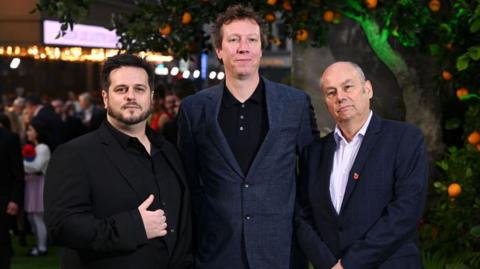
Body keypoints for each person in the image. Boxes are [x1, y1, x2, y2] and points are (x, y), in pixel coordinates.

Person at [178, 4, 317, 269]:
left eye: (251, 40)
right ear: (219, 50)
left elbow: (313, 177)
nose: (243, 47)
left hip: (280, 253)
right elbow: (189, 182)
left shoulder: (295, 104)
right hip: (216, 253)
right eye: (233, 40)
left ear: (260, 48)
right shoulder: (194, 109)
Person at [44, 54, 192, 269]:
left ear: (151, 97)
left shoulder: (169, 151)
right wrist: (134, 227)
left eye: (139, 89)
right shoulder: (75, 154)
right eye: (121, 89)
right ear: (105, 98)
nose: (130, 96)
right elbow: (61, 227)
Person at [295, 61, 428, 269]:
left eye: (348, 87)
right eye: (331, 92)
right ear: (326, 101)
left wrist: (349, 264)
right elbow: (303, 216)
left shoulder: (404, 139)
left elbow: (406, 211)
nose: (340, 97)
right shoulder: (313, 154)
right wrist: (328, 264)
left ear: (368, 89)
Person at [0, 113, 24, 269]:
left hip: (3, 200)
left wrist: (15, 199)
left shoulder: (9, 138)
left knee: (2, 244)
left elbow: (18, 173)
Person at [23, 121, 51, 256]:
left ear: (37, 133)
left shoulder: (43, 148)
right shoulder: (34, 147)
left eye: (30, 130)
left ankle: (42, 247)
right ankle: (39, 243)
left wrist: (19, 163)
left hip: (40, 184)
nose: (28, 133)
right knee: (31, 216)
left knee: (38, 217)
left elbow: (36, 166)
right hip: (32, 183)